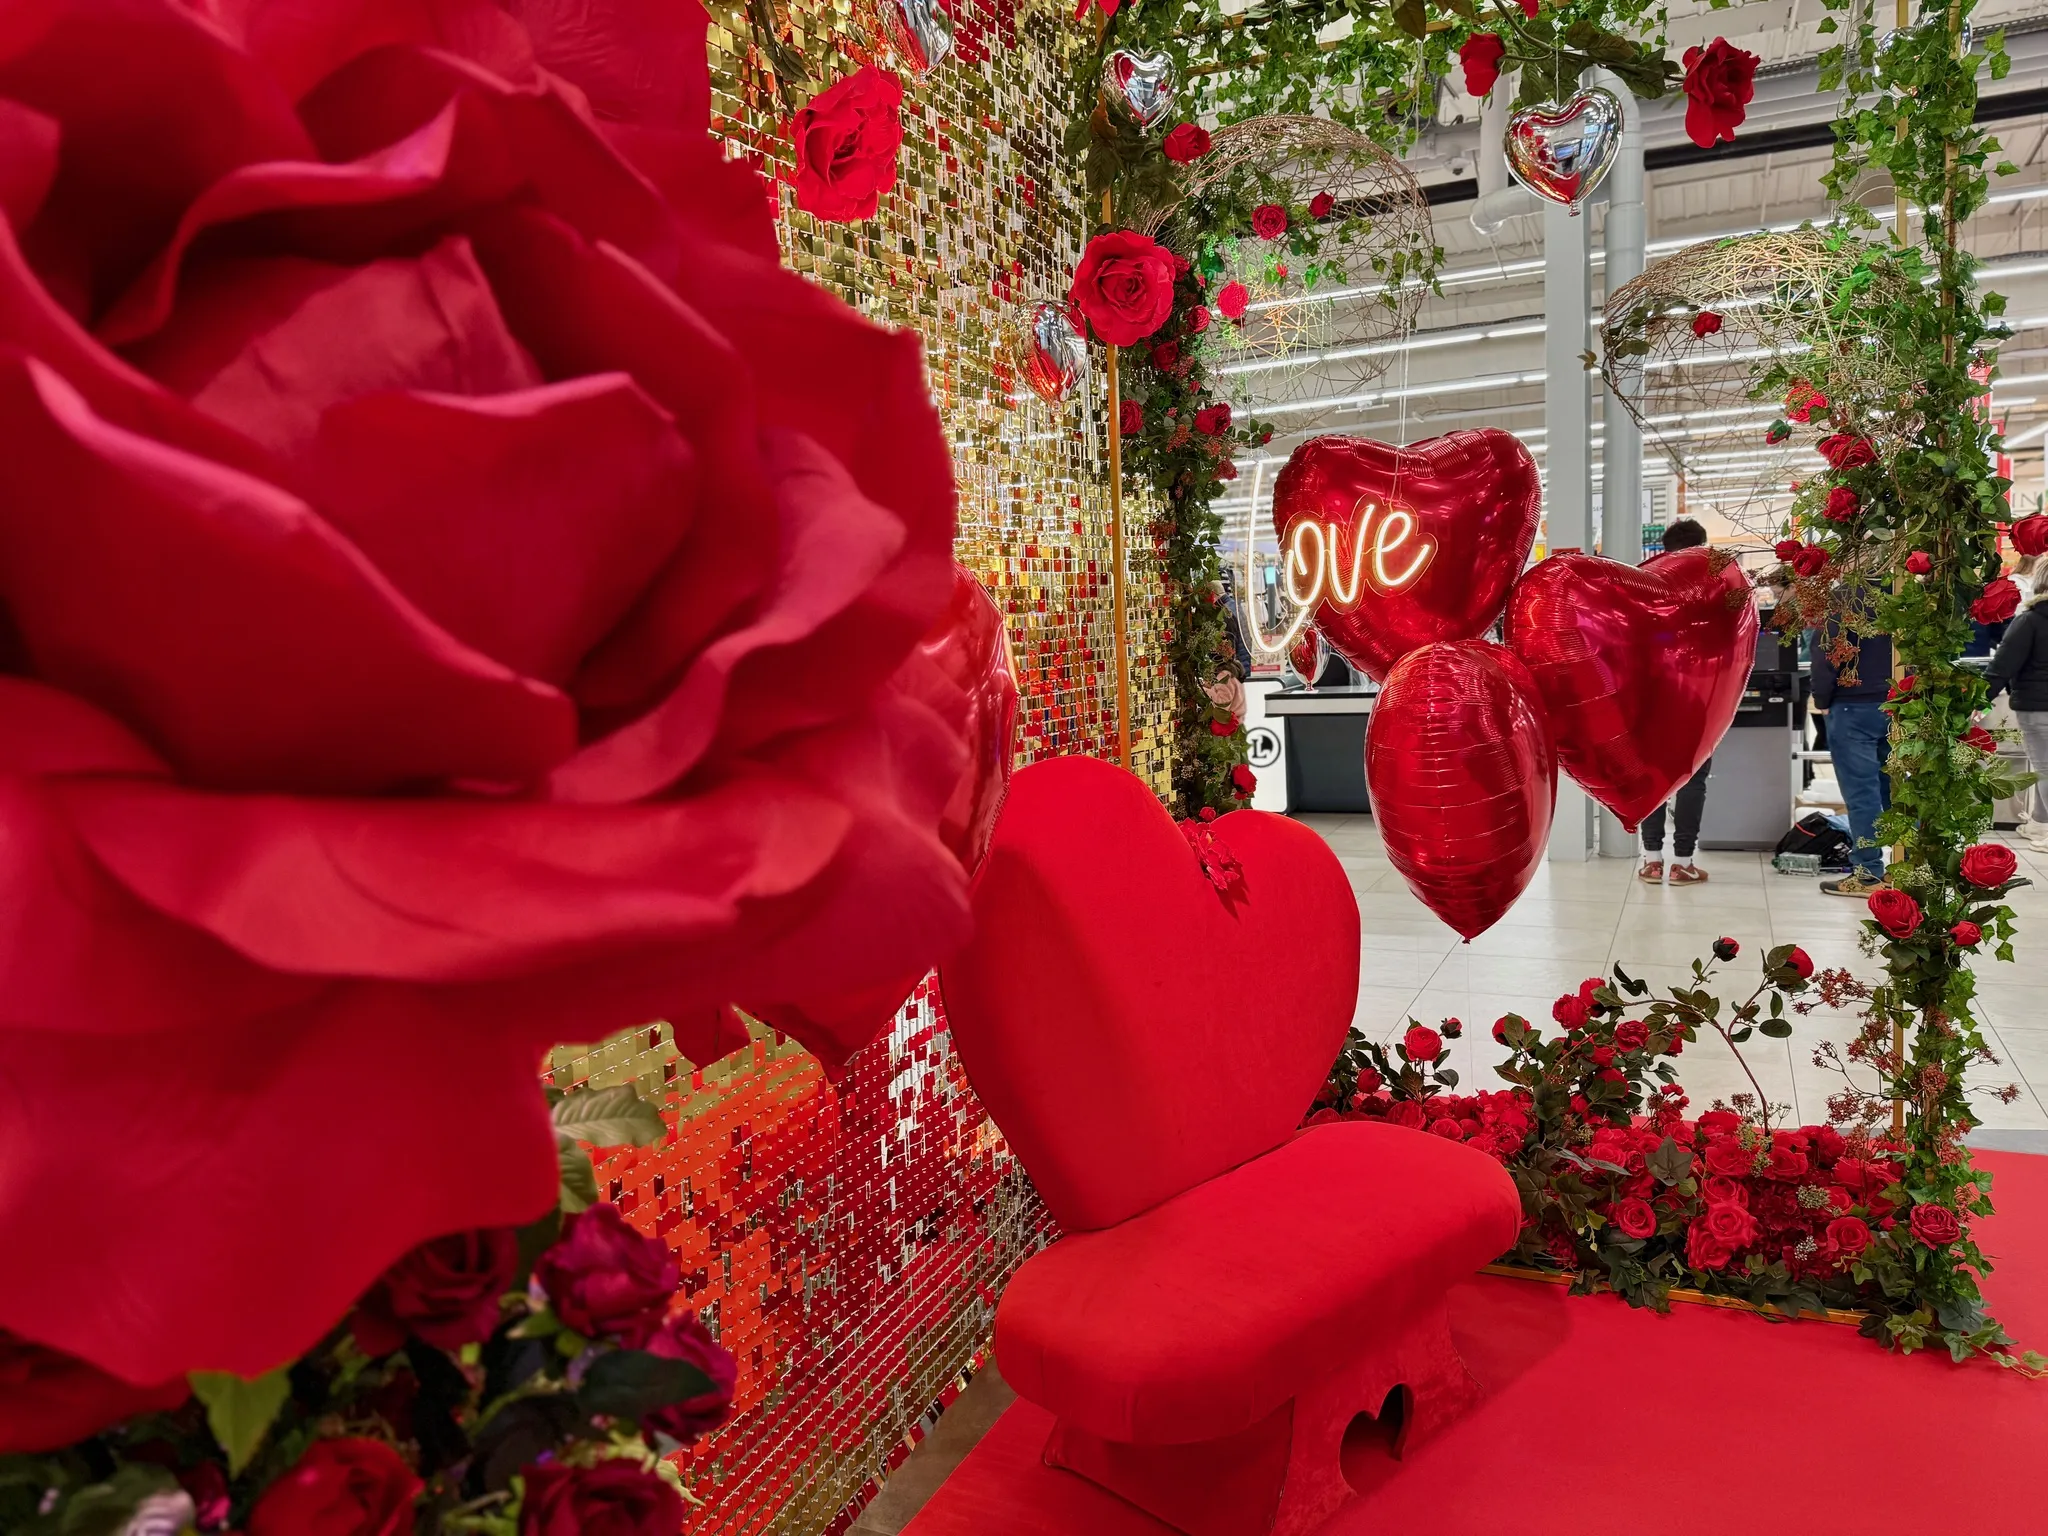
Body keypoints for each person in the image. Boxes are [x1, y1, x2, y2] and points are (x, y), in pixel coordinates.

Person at [1638, 518, 1716, 886]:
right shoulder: (1714, 588)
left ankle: (1652, 860)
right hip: (1697, 694)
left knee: (1653, 778)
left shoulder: (1646, 586)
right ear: (1701, 545)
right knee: (1694, 779)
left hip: (1652, 695)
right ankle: (1683, 862)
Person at [1810, 596, 1894, 895]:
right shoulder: (1902, 595)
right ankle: (1908, 866)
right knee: (1897, 789)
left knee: (1862, 794)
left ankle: (1868, 873)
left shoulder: (1842, 601)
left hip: (1852, 707)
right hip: (1898, 703)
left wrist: (1821, 700)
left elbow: (1825, 656)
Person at [1987, 578, 2048, 851]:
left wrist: (1977, 700)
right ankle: (2037, 822)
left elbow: (2002, 665)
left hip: (2037, 708)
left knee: (2045, 770)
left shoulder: (2030, 621)